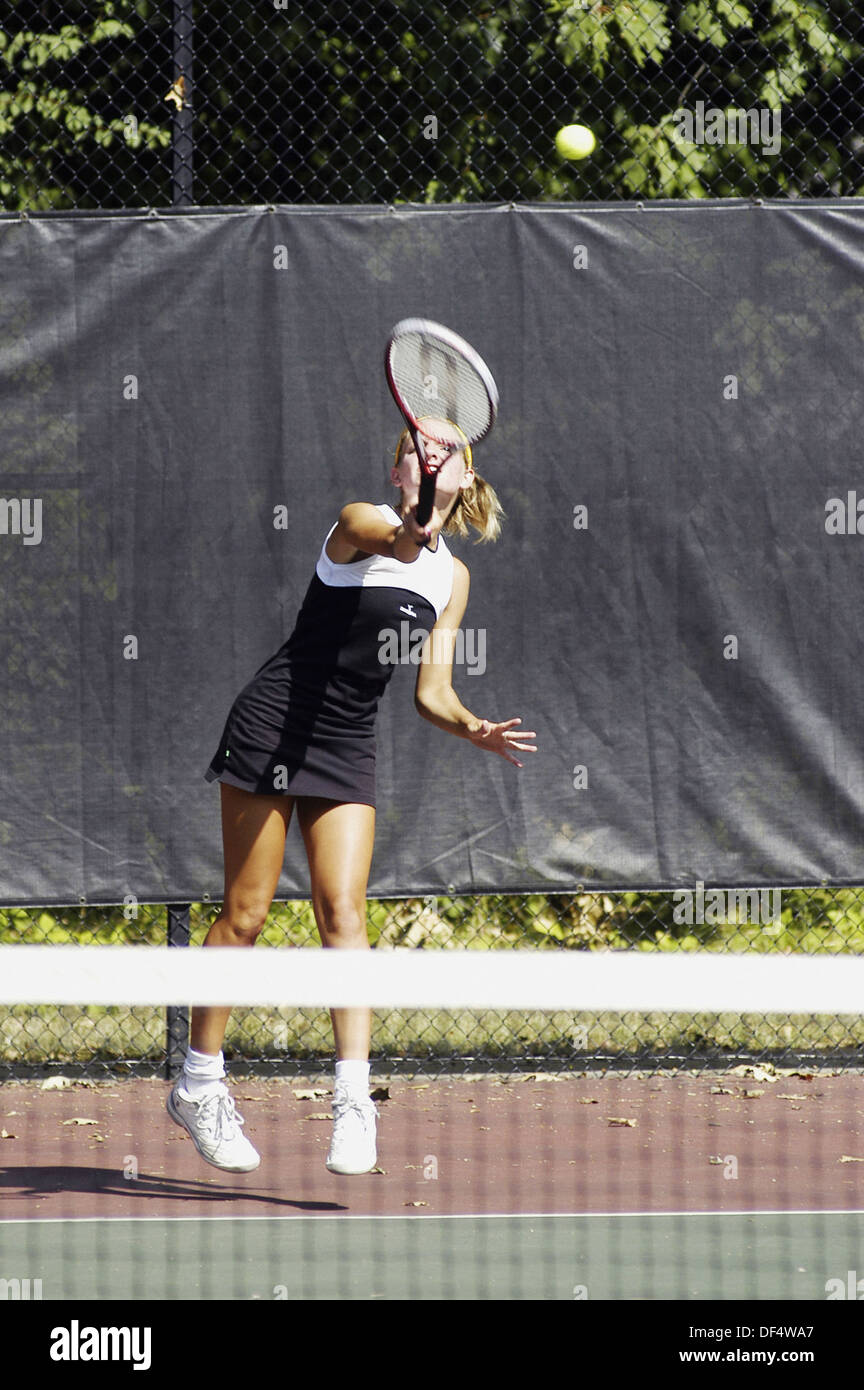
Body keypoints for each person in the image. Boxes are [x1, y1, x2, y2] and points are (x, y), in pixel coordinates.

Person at [167, 418, 537, 1175]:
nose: (426, 454)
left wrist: (472, 727)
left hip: (345, 743)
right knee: (246, 914)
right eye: (414, 447)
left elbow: (431, 691)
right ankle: (198, 1085)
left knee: (344, 915)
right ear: (399, 468)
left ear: (466, 478)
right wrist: (418, 522)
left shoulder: (453, 579)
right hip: (273, 724)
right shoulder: (359, 522)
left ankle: (354, 1100)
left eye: (444, 452)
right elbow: (398, 542)